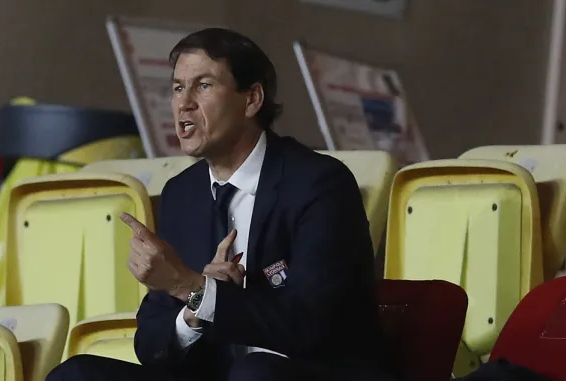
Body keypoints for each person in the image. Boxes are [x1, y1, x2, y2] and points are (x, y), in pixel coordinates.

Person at [47, 27, 393, 381]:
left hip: (304, 372)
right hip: (218, 374)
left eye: (204, 85)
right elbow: (152, 344)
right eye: (178, 88)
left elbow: (312, 326)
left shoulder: (319, 183)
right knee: (76, 374)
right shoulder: (182, 193)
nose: (184, 103)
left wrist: (193, 288)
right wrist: (195, 313)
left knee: (254, 373)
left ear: (252, 99)